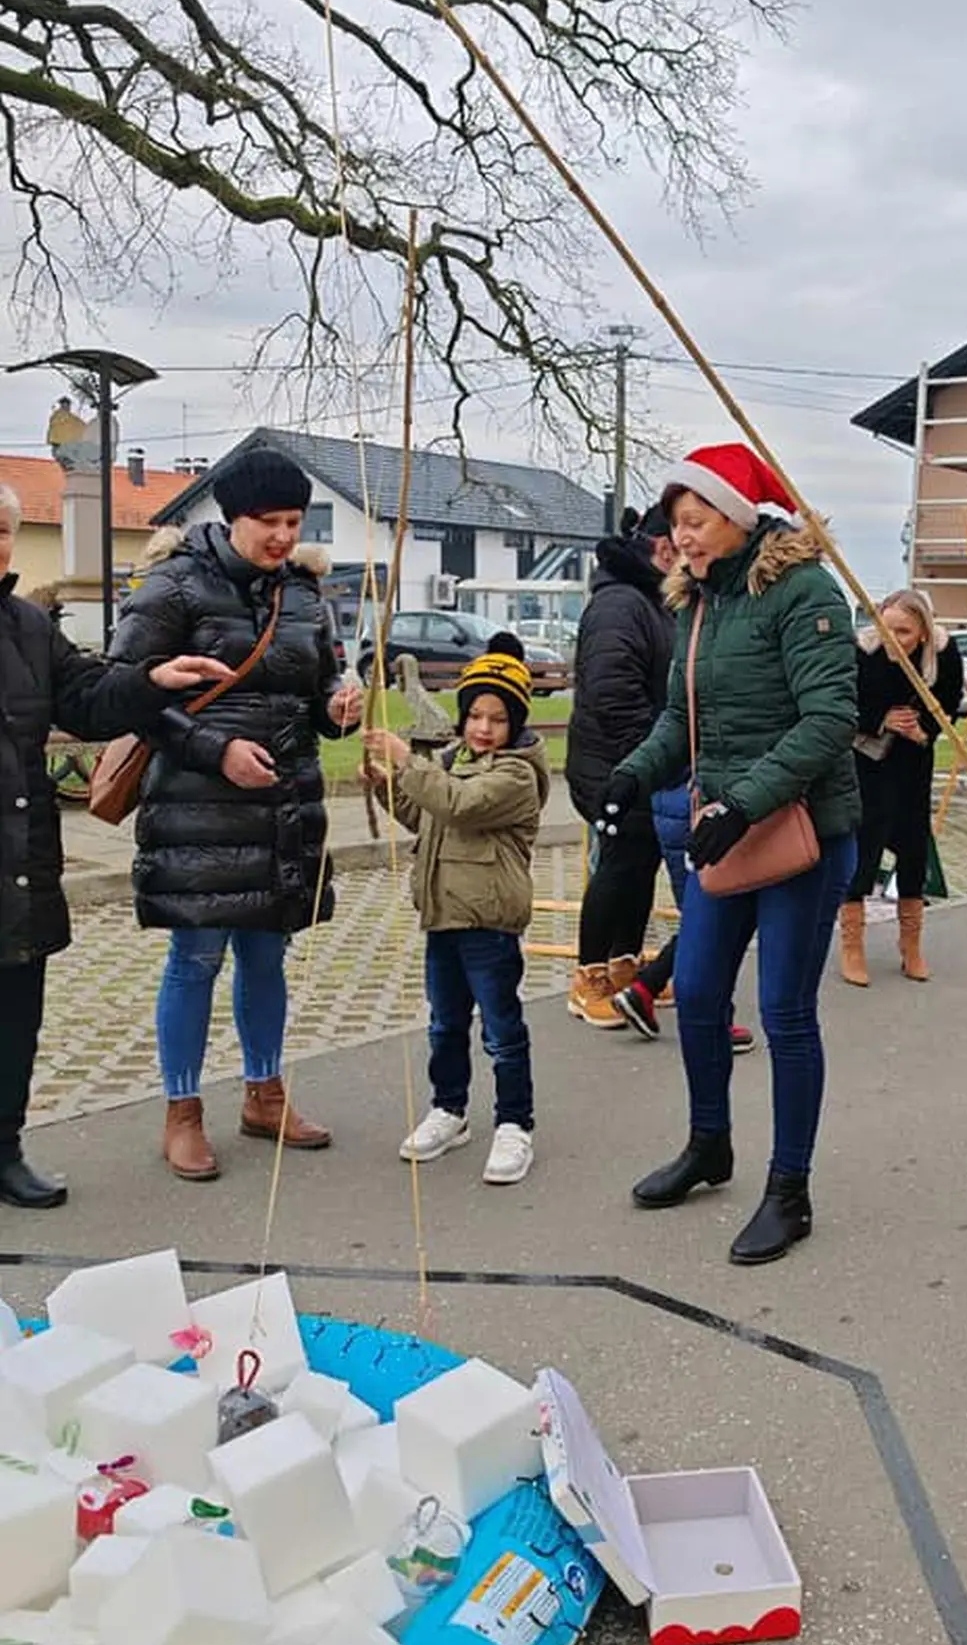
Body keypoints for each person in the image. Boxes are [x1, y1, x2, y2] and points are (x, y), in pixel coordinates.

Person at [599, 444, 859, 1265]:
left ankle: (791, 1190)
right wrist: (633, 774)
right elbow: (684, 718)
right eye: (675, 524)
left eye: (695, 519)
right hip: (727, 830)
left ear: (738, 515)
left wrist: (744, 801)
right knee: (700, 989)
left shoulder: (803, 590)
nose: (682, 538)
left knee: (784, 1011)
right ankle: (710, 1144)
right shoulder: (696, 604)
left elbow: (827, 719)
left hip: (800, 836)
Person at [107, 449, 363, 1182]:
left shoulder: (307, 596)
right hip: (197, 807)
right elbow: (126, 689)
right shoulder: (174, 584)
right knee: (196, 958)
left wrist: (338, 710)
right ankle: (181, 1112)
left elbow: (320, 691)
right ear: (232, 517)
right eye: (268, 522)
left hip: (282, 806)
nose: (284, 536)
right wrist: (216, 751)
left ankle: (265, 1092)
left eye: (294, 521)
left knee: (265, 955)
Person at [0, 484, 235, 1207]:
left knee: (14, 1018)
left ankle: (3, 1147)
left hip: (17, 861)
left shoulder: (28, 628)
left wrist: (151, 679)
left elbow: (90, 699)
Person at [363, 637, 548, 1186]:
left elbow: (462, 806)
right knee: (445, 1023)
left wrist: (407, 761)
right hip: (442, 913)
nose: (483, 728)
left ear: (514, 724)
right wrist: (387, 786)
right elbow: (427, 818)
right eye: (474, 715)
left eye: (496, 718)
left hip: (488, 920)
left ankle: (516, 1123)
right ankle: (450, 1109)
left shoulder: (518, 776)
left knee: (501, 1028)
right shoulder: (449, 763)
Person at [564, 506, 676, 1028]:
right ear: (661, 548)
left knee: (640, 863)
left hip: (636, 762)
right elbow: (613, 695)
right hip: (614, 765)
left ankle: (625, 961)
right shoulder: (620, 604)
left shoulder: (651, 601)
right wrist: (653, 756)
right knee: (617, 865)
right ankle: (588, 976)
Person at [839, 588, 963, 986]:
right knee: (865, 845)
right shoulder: (864, 650)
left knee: (912, 846)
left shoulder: (943, 654)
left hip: (913, 760)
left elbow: (948, 703)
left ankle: (911, 945)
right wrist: (881, 720)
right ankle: (852, 945)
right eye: (887, 628)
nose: (894, 639)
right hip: (868, 761)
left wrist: (923, 730)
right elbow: (845, 702)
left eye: (904, 632)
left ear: (923, 633)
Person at [613, 779, 756, 1055]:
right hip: (703, 807)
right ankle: (715, 1017)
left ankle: (647, 987)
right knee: (717, 921)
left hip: (670, 805)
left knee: (701, 919)